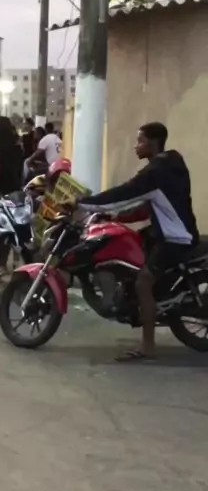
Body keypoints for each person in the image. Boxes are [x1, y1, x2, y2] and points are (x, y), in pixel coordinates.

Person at [78, 121, 199, 362]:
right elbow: (149, 205)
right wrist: (116, 217)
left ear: (153, 143)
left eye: (140, 141)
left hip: (175, 237)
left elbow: (123, 193)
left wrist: (84, 203)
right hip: (168, 230)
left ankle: (148, 346)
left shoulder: (156, 172)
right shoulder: (169, 164)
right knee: (132, 247)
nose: (136, 146)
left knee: (144, 282)